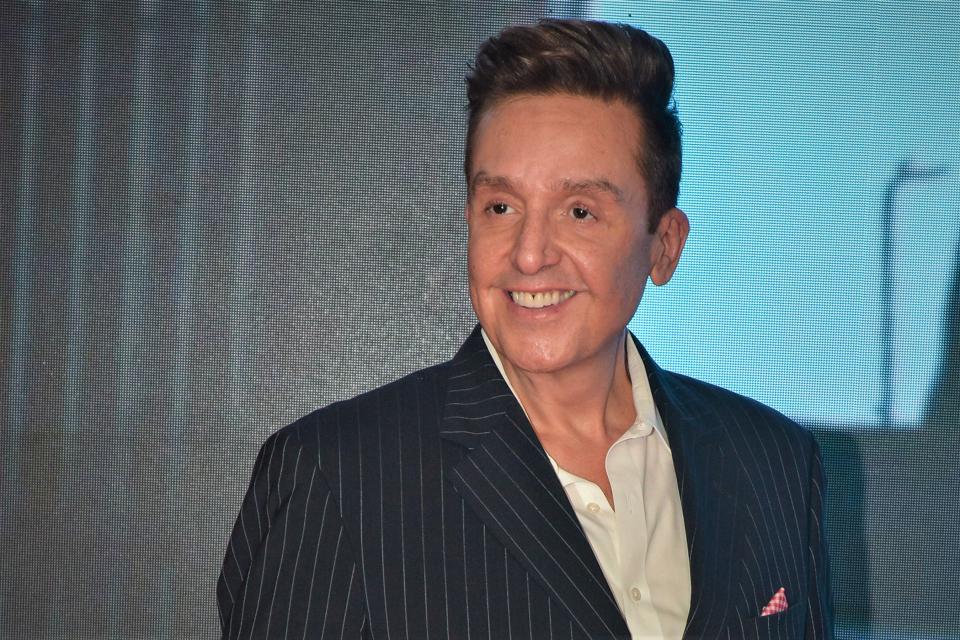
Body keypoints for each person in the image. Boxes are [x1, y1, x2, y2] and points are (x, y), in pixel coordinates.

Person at [217, 19, 833, 639]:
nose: (530, 253)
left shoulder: (773, 462)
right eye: (501, 207)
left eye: (580, 211)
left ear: (664, 245)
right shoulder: (337, 478)